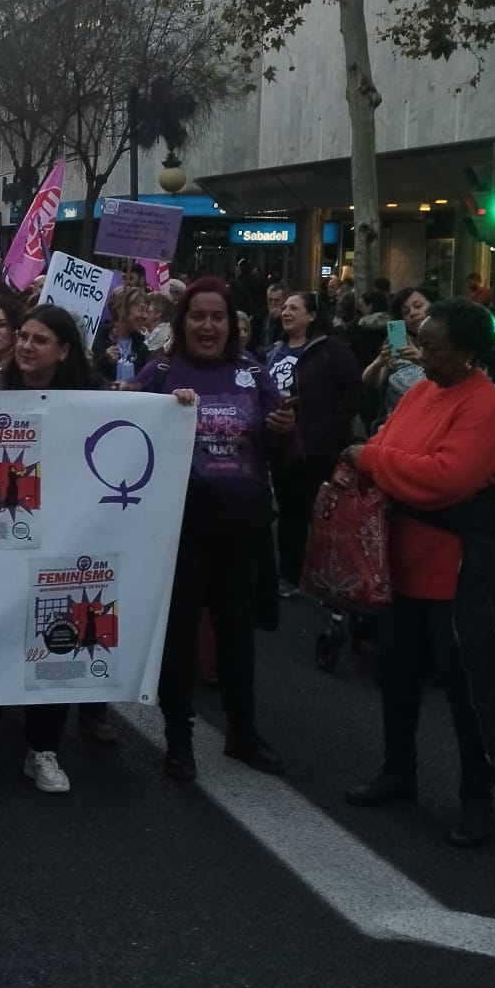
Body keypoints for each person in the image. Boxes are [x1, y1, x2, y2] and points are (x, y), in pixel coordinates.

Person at [343, 300, 495, 848]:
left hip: (457, 570)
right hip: (402, 561)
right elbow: (387, 441)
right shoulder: (421, 390)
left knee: (466, 694)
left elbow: (448, 478)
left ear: (468, 351)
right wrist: (380, 457)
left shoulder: (488, 404)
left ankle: (477, 796)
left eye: (435, 346)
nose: (424, 354)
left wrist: (373, 461)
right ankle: (399, 771)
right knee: (397, 679)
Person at [133, 277, 295, 782]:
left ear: (232, 324)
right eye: (197, 316)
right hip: (177, 534)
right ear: (182, 323)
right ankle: (178, 740)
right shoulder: (159, 371)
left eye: (217, 317)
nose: (208, 326)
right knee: (178, 640)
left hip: (242, 530)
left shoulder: (253, 372)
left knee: (236, 639)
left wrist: (285, 432)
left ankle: (242, 733)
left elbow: (286, 452)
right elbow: (125, 439)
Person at [0, 304, 115, 793]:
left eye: (40, 340)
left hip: (65, 540)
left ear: (65, 351)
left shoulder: (95, 399)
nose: (24, 345)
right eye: (23, 336)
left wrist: (180, 404)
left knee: (55, 640)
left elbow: (144, 417)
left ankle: (43, 749)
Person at [265, 291, 363, 592]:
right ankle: (290, 576)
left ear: (312, 315)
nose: (286, 312)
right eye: (284, 308)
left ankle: (330, 579)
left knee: (322, 517)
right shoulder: (273, 351)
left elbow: (353, 391)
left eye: (294, 308)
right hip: (283, 446)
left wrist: (327, 426)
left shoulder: (330, 349)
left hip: (320, 448)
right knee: (290, 513)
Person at [362, 285, 435, 422]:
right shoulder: (397, 342)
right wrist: (379, 362)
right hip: (397, 421)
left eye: (418, 306)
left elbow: (452, 378)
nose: (413, 313)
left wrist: (420, 359)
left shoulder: (446, 343)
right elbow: (371, 382)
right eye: (406, 312)